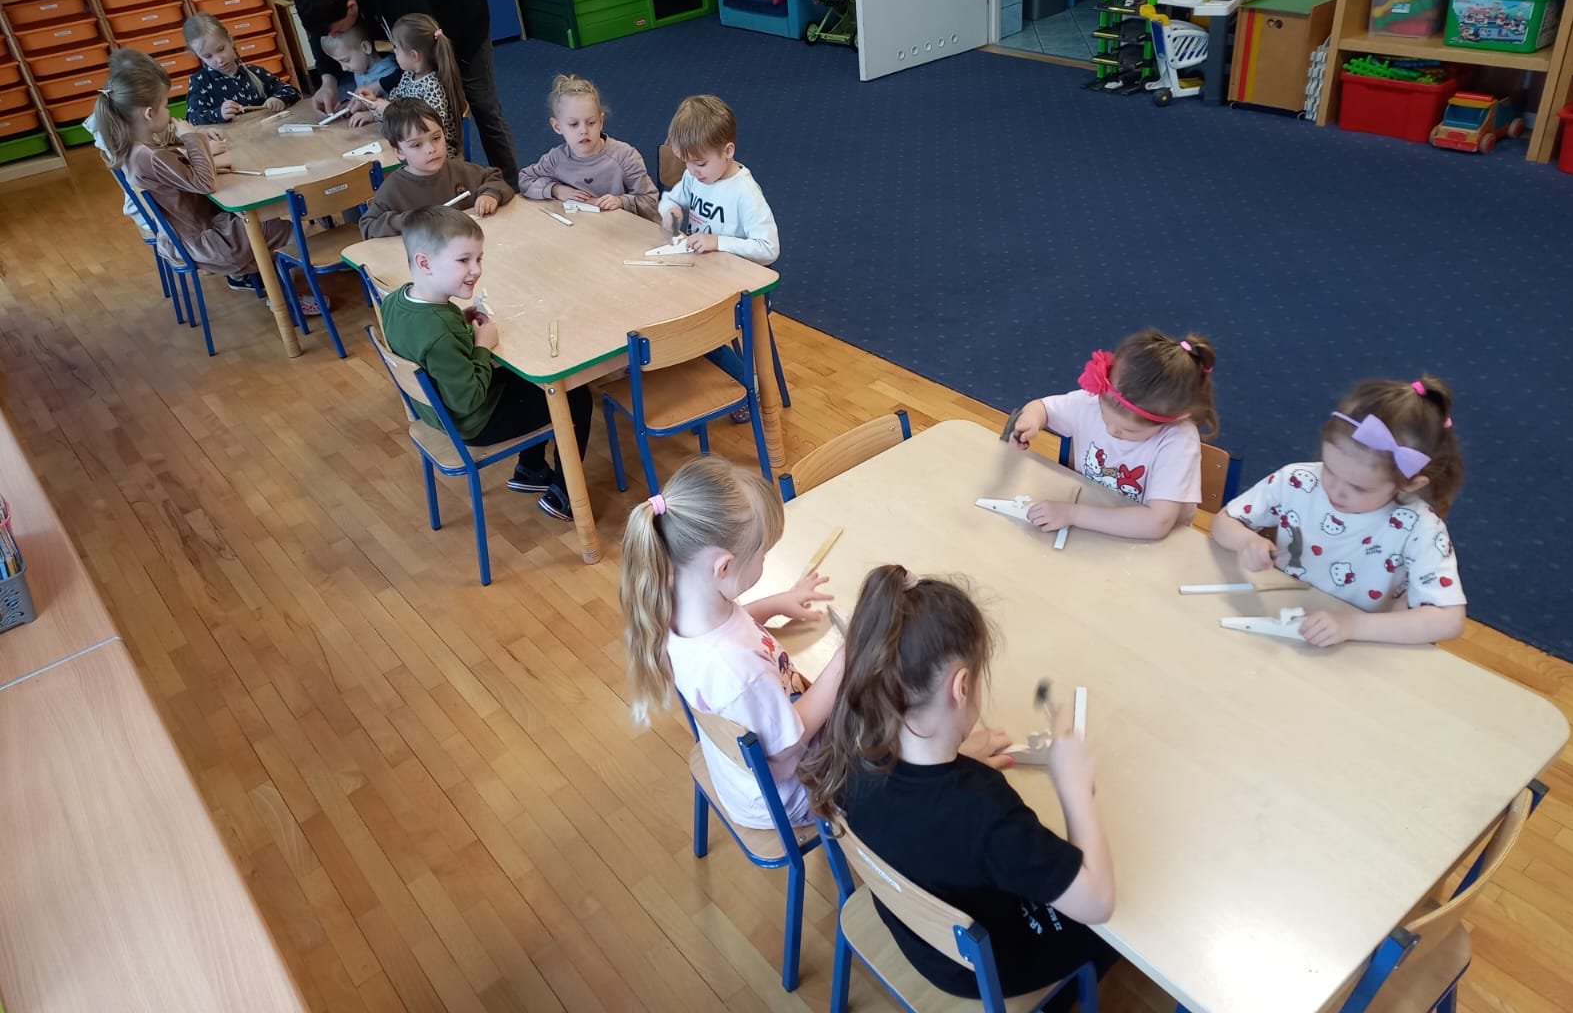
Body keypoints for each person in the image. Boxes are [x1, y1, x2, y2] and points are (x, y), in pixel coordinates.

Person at [799, 565, 1117, 1001]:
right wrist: (1073, 787)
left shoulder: (851, 746)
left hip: (915, 933)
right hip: (980, 969)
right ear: (962, 685)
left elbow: (920, 801)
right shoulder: (983, 810)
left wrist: (955, 755)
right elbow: (1098, 901)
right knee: (1120, 937)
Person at [619, 455, 840, 829]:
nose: (763, 561)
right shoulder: (741, 673)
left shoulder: (675, 608)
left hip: (742, 775)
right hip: (790, 795)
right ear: (723, 567)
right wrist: (843, 662)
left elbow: (733, 628)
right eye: (762, 555)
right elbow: (787, 754)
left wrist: (778, 603)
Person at [1211, 376, 1467, 646]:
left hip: (1356, 645)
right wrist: (1247, 541)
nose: (1335, 490)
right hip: (1283, 620)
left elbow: (1449, 620)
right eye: (1330, 469)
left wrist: (1352, 625)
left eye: (1359, 488)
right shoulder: (1298, 481)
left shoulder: (1419, 528)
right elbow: (1223, 522)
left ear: (1410, 484)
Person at [378, 205, 591, 521]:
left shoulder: (397, 300)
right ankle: (565, 495)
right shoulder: (440, 331)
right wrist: (481, 346)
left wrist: (462, 326)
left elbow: (429, 344)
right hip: (471, 422)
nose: (476, 269)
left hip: (434, 411)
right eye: (463, 260)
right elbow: (468, 399)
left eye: (479, 259)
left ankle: (531, 470)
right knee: (574, 394)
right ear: (424, 263)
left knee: (531, 379)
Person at [93, 48, 317, 312]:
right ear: (149, 113)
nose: (169, 111)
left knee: (266, 218)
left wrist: (207, 160)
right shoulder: (151, 157)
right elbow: (204, 184)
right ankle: (284, 298)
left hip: (198, 234)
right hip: (210, 241)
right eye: (165, 105)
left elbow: (181, 176)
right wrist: (192, 137)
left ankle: (272, 282)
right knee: (296, 231)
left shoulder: (137, 148)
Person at [292, 0, 518, 177]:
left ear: (351, 7)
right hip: (418, 14)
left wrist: (378, 86)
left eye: (337, 31)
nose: (335, 36)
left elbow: (421, 58)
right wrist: (327, 81)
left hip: (462, 9)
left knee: (482, 103)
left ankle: (510, 181)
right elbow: (320, 31)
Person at [1008, 329, 1219, 539]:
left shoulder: (1178, 441)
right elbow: (1042, 408)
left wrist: (1073, 514)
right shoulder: (1092, 401)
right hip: (1089, 520)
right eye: (1105, 416)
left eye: (1129, 430)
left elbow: (1157, 523)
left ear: (1175, 418)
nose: (1111, 430)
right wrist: (1030, 421)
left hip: (1145, 541)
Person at [361, 98, 513, 240]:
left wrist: (490, 194)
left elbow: (495, 179)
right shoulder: (393, 188)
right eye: (416, 145)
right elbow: (368, 226)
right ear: (399, 151)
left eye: (436, 138)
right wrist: (405, 221)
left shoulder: (460, 169)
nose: (431, 149)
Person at [517, 74, 659, 222]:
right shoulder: (556, 159)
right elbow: (524, 180)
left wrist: (622, 202)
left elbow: (650, 202)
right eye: (573, 124)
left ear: (601, 121)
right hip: (579, 228)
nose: (583, 131)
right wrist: (555, 190)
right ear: (557, 126)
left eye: (591, 122)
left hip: (619, 230)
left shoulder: (625, 156)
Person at [658, 95, 778, 263]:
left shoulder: (745, 192)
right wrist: (670, 211)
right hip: (702, 265)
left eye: (700, 163)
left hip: (732, 272)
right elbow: (669, 199)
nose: (691, 171)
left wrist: (717, 242)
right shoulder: (693, 176)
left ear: (728, 151)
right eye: (685, 162)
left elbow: (768, 249)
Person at [349, 14, 467, 160]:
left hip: (434, 155)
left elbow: (429, 127)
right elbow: (395, 105)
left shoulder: (433, 86)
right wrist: (373, 105)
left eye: (396, 47)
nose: (394, 52)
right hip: (414, 145)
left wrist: (388, 109)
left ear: (413, 55)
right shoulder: (408, 76)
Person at [181, 13, 300, 126]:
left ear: (230, 40)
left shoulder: (255, 72)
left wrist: (279, 99)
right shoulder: (200, 82)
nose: (219, 60)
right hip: (231, 139)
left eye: (221, 49)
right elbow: (192, 118)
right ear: (197, 55)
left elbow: (292, 91)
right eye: (208, 56)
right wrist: (219, 114)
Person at [320, 21, 401, 103]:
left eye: (346, 60)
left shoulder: (389, 71)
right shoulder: (360, 69)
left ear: (365, 48)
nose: (343, 68)